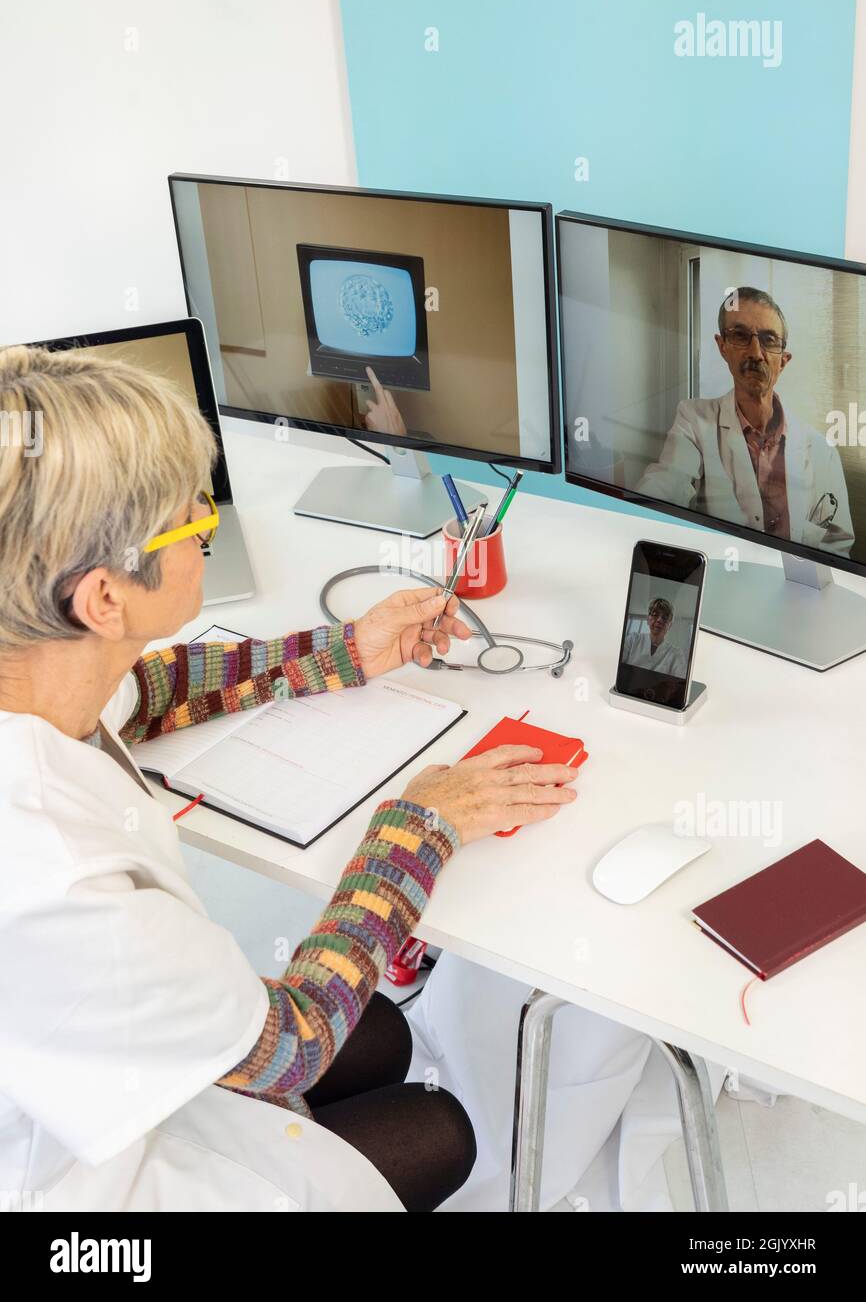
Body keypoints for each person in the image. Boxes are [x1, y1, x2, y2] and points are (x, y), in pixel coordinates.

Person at [0, 344, 581, 1214]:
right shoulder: (55, 879)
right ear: (105, 600)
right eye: (191, 522)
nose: (210, 523)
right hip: (85, 1189)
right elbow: (294, 1045)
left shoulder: (38, 671)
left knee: (382, 1035)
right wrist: (412, 833)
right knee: (441, 1126)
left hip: (94, 1062)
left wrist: (341, 651)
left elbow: (145, 690)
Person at [637, 287, 854, 556]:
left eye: (769, 339)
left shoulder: (822, 451)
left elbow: (837, 548)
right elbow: (664, 487)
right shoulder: (694, 421)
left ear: (783, 361)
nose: (755, 352)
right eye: (740, 336)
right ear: (722, 346)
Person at [621, 597, 686, 678]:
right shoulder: (632, 640)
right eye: (655, 615)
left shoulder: (676, 654)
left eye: (665, 617)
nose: (659, 620)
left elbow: (679, 682)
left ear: (670, 625)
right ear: (648, 619)